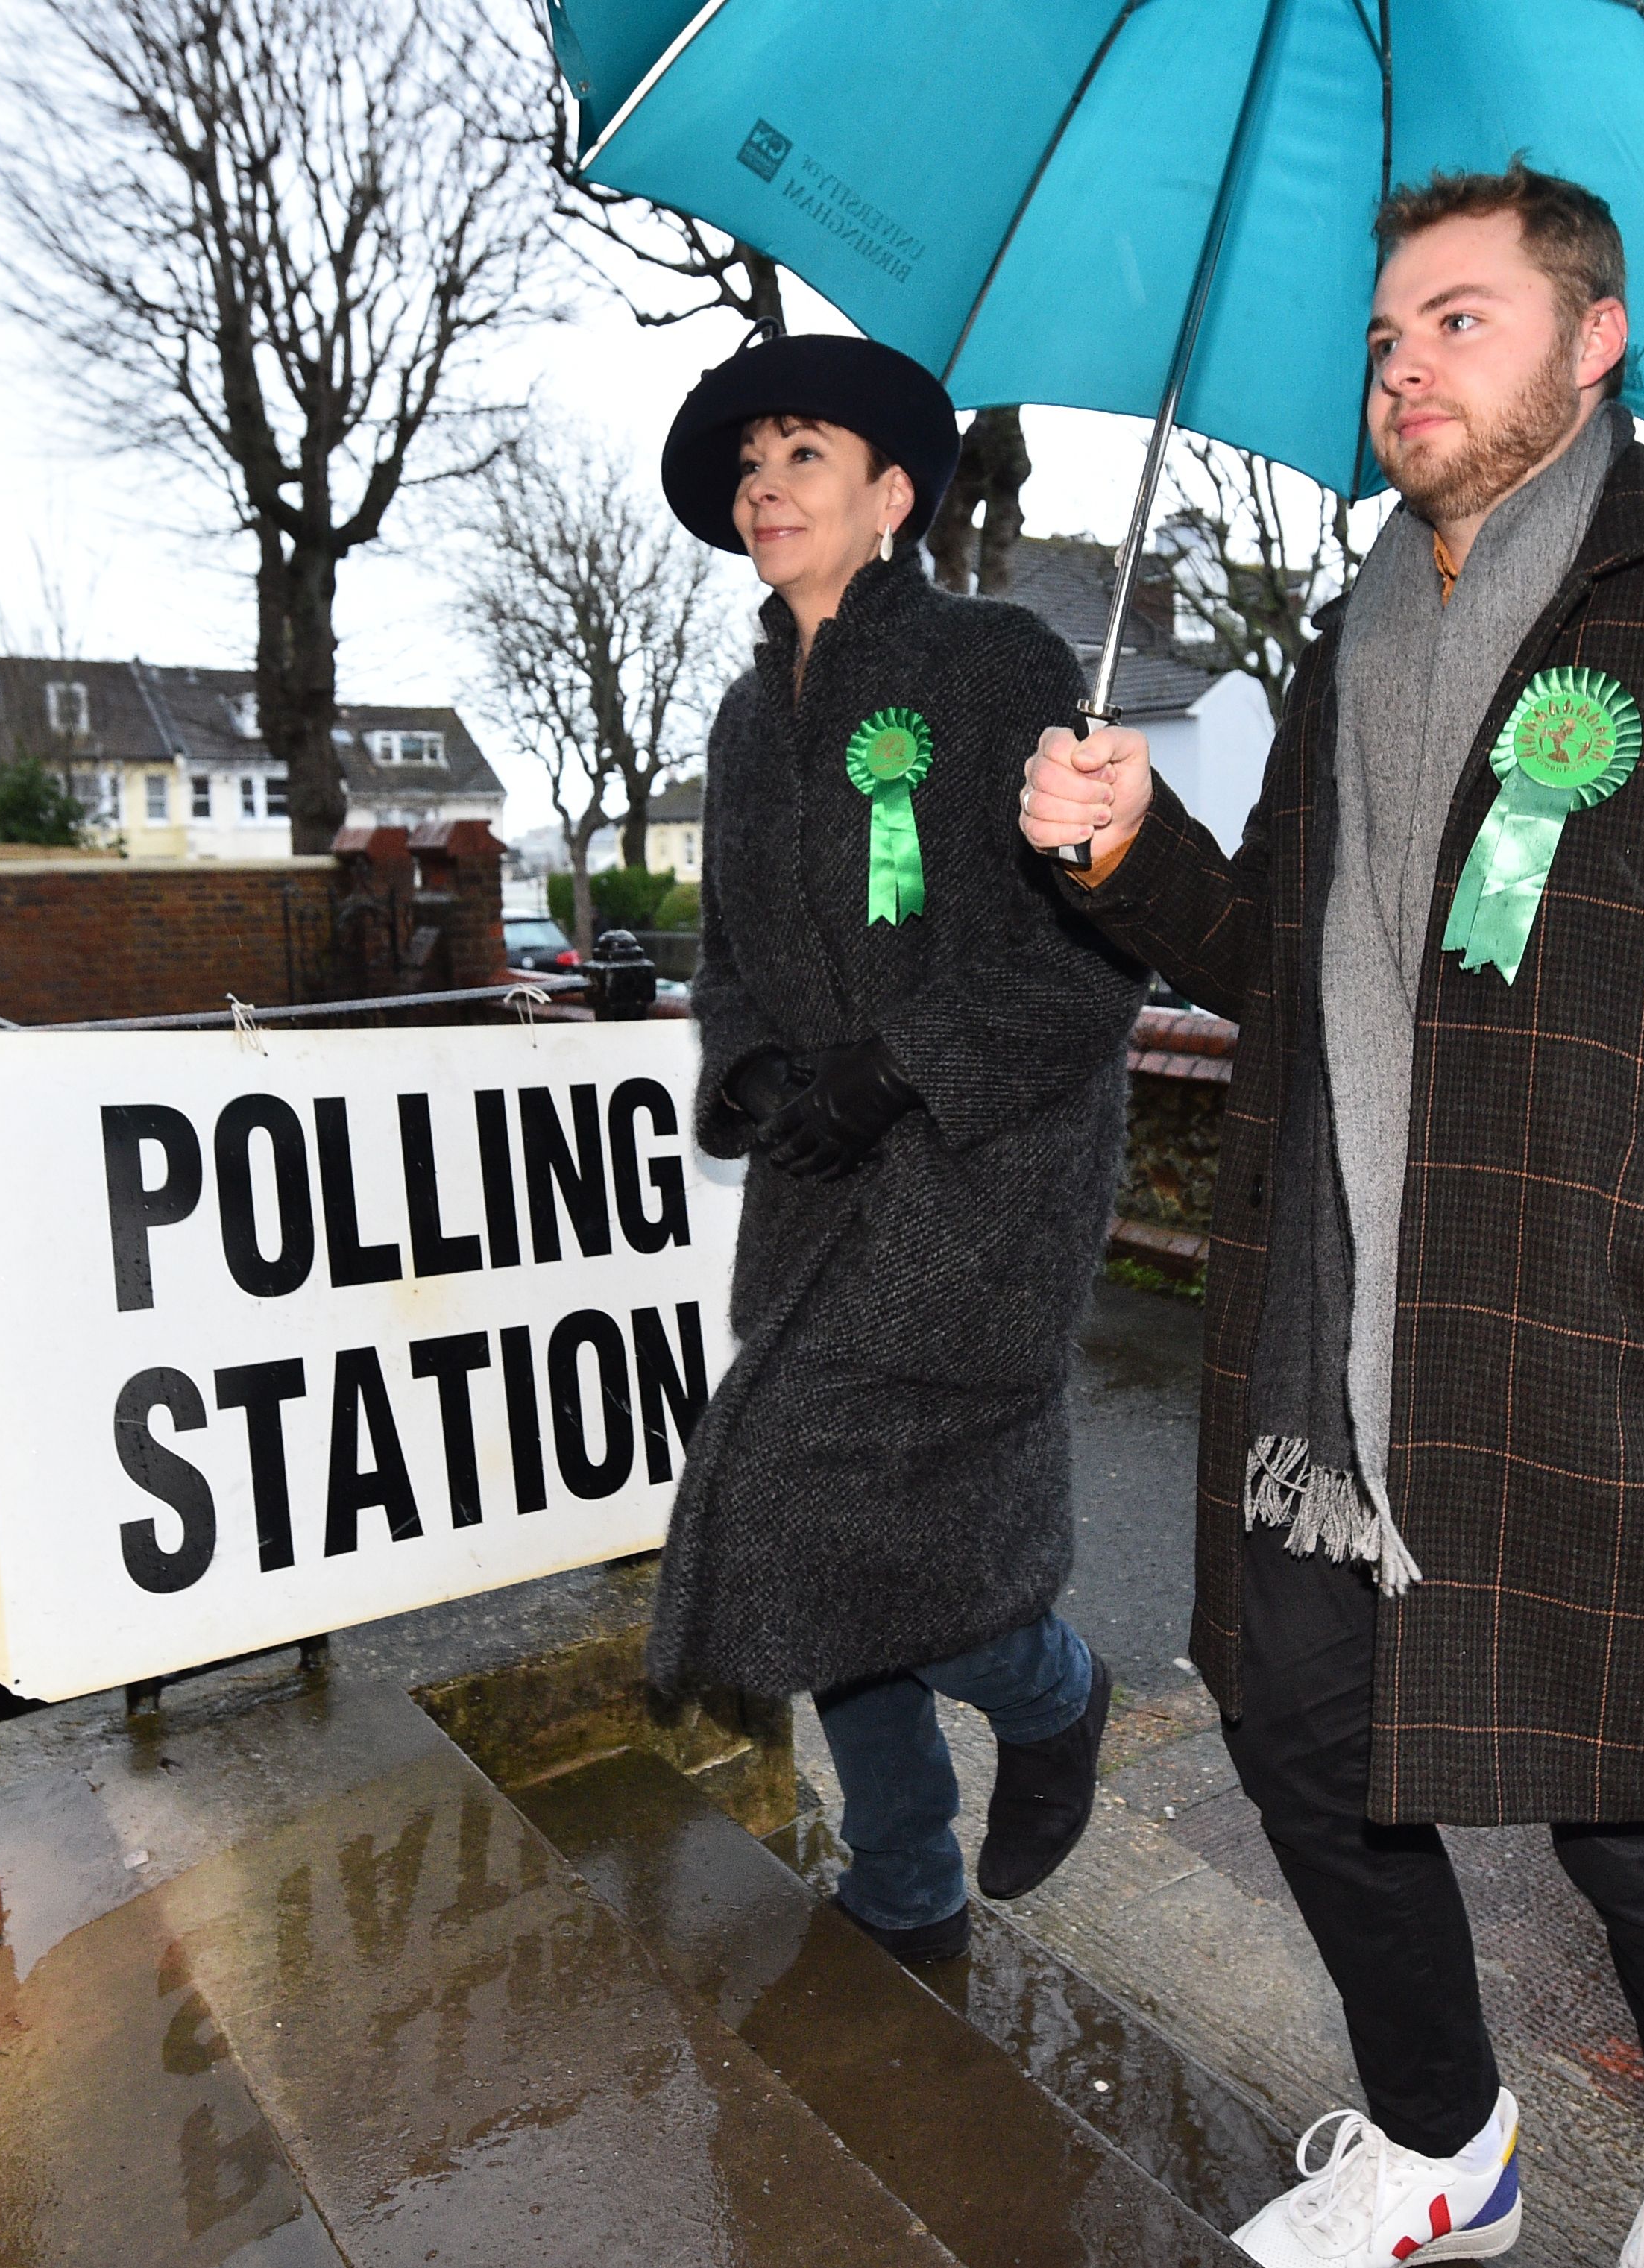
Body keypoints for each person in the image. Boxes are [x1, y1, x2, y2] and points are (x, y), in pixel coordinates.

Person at [1019, 165, 1644, 2267]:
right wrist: (1124, 848)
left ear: (1591, 336)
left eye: (1455, 318)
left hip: (1616, 1316)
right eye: (1381, 337)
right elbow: (1280, 955)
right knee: (1292, 1729)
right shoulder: (1355, 619)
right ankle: (1446, 2139)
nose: (1401, 366)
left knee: (1635, 1816)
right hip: (1333, 1327)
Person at [647, 333, 1147, 1966]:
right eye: (749, 464)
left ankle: (1049, 1692)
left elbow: (1089, 953)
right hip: (816, 1182)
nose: (764, 484)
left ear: (892, 495)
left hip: (982, 1183)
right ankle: (907, 1879)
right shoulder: (738, 718)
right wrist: (762, 1073)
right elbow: (722, 956)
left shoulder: (999, 664)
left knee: (805, 1513)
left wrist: (899, 1066)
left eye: (803, 454)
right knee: (826, 1551)